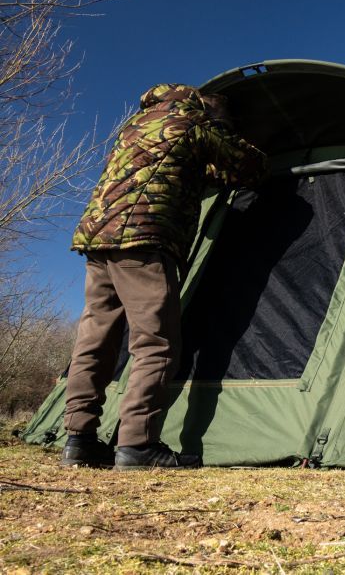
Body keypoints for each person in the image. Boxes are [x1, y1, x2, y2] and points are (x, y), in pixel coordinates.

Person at [60, 84, 267, 470]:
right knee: (156, 343)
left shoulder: (135, 127)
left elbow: (179, 170)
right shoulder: (191, 123)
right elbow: (248, 165)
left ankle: (79, 439)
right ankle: (137, 444)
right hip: (143, 239)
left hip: (98, 239)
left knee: (94, 342)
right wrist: (224, 129)